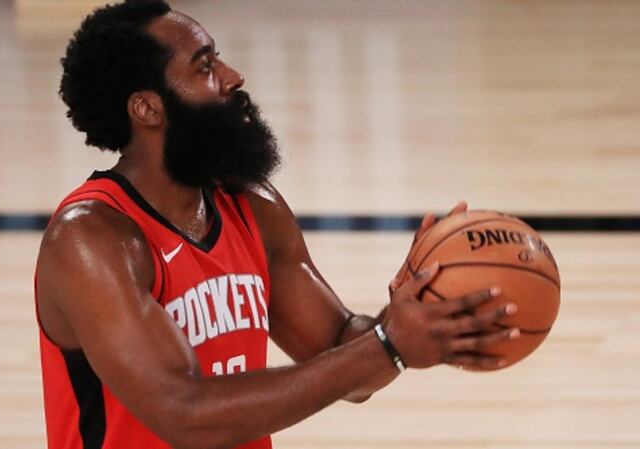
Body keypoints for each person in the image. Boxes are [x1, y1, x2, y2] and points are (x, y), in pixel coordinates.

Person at [34, 1, 520, 448]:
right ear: (146, 108)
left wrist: (411, 310)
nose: (232, 76)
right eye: (204, 67)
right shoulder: (92, 239)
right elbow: (182, 412)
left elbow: (341, 353)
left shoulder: (251, 205)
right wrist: (386, 345)